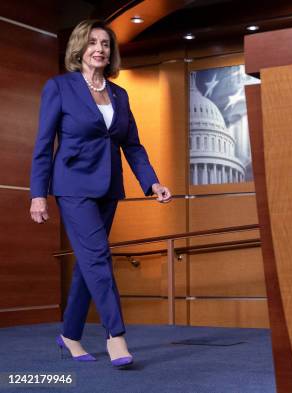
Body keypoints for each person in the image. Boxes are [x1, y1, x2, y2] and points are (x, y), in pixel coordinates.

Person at [29, 20, 172, 367]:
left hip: (109, 187)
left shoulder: (119, 94)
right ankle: (116, 335)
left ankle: (70, 335)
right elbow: (44, 144)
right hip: (73, 186)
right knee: (97, 258)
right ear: (80, 47)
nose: (100, 49)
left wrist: (152, 182)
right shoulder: (60, 87)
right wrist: (38, 193)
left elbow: (132, 146)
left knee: (87, 263)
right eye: (93, 42)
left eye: (106, 44)